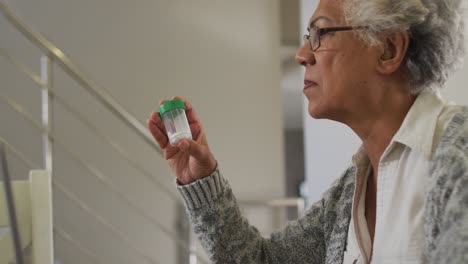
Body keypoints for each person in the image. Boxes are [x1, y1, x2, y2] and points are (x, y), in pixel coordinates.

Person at [147, 0, 468, 263]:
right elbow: (261, 261)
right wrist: (200, 179)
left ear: (388, 49)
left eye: (321, 33)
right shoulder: (348, 193)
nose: (302, 55)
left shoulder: (457, 152)